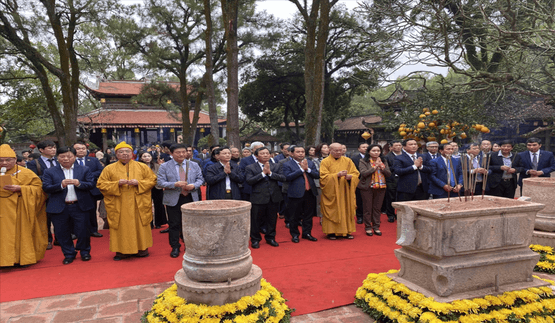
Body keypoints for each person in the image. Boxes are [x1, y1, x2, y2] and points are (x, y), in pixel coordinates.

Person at [97, 141, 157, 261]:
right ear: (116, 154)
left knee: (139, 224)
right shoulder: (109, 168)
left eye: (127, 151)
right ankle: (121, 251)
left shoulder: (142, 167)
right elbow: (101, 184)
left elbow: (152, 180)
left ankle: (142, 249)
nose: (124, 154)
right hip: (119, 202)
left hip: (138, 202)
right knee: (121, 226)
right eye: (121, 152)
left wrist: (139, 183)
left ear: (132, 154)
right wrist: (116, 184)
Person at [43, 147, 95, 264]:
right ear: (57, 158)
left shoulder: (84, 169)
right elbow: (46, 187)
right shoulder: (50, 171)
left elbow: (91, 184)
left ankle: (84, 252)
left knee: (83, 231)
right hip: (60, 207)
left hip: (79, 205)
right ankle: (69, 254)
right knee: (62, 232)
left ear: (75, 157)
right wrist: (60, 185)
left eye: (69, 156)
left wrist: (79, 183)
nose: (65, 159)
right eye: (62, 156)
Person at [0, 144, 47, 267]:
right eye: (1, 160)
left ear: (15, 160)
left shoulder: (26, 173)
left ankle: (22, 258)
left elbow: (39, 190)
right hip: (2, 211)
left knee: (21, 235)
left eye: (8, 160)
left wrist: (21, 188)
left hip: (20, 209)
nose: (4, 163)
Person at [157, 143, 204, 258]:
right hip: (173, 198)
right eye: (178, 152)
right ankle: (175, 247)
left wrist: (193, 185)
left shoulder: (194, 164)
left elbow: (200, 179)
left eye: (184, 152)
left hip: (190, 197)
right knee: (174, 224)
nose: (182, 154)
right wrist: (174, 184)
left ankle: (190, 246)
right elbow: (160, 182)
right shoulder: (164, 166)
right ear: (171, 153)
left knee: (191, 224)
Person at [245, 147, 285, 248]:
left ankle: (271, 237)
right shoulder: (250, 167)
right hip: (258, 197)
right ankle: (255, 239)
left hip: (273, 197)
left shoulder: (276, 165)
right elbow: (249, 181)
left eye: (267, 153)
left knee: (272, 219)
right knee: (256, 220)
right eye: (262, 153)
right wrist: (263, 174)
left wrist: (270, 173)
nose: (266, 155)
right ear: (256, 156)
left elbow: (283, 178)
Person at [319, 143, 360, 240]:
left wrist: (351, 177)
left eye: (340, 150)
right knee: (333, 210)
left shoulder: (348, 160)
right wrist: (336, 175)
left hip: (346, 192)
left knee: (347, 209)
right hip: (332, 192)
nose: (338, 152)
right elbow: (323, 177)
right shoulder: (325, 162)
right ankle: (331, 232)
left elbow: (355, 173)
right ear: (330, 150)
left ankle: (347, 231)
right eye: (336, 150)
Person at [282, 146, 319, 243]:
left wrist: (308, 169)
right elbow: (287, 177)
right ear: (292, 154)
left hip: (309, 192)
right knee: (294, 216)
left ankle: (307, 233)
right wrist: (301, 170)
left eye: (302, 151)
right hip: (295, 193)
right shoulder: (287, 164)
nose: (301, 154)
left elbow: (317, 175)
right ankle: (295, 235)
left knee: (308, 215)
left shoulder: (310, 163)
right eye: (298, 152)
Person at [26, 140, 58, 250]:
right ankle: (48, 239)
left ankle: (59, 238)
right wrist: (49, 180)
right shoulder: (34, 163)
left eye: (54, 147)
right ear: (41, 150)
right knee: (46, 218)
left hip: (58, 193)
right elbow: (32, 179)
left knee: (60, 217)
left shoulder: (59, 161)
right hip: (44, 194)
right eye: (50, 148)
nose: (53, 149)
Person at [358, 144, 391, 236]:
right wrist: (375, 167)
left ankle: (376, 227)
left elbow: (388, 174)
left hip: (381, 186)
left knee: (377, 208)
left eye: (378, 151)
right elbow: (364, 173)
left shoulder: (383, 160)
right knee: (368, 208)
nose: (376, 153)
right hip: (367, 187)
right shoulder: (363, 161)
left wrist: (382, 168)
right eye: (373, 151)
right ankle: (368, 227)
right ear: (369, 152)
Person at [73, 141, 104, 238]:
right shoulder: (70, 161)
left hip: (90, 189)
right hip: (75, 189)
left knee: (91, 210)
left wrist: (87, 175)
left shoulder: (93, 160)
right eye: (78, 149)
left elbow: (100, 171)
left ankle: (93, 230)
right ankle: (75, 232)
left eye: (83, 148)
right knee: (75, 211)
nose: (81, 150)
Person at [138, 151, 167, 229]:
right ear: (141, 158)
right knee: (146, 206)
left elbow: (161, 175)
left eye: (148, 156)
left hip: (156, 187)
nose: (147, 158)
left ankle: (159, 222)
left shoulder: (157, 166)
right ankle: (148, 223)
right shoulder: (138, 167)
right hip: (145, 188)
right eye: (144, 156)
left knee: (159, 204)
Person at [383, 140, 402, 222]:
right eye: (396, 145)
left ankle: (399, 214)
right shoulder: (387, 157)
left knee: (401, 198)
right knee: (391, 197)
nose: (398, 147)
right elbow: (387, 169)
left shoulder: (404, 155)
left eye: (399, 145)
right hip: (392, 179)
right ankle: (390, 214)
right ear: (391, 147)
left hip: (403, 179)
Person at [350, 142, 368, 225]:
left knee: (369, 200)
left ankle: (369, 217)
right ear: (359, 149)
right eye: (363, 147)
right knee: (359, 199)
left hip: (371, 181)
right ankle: (360, 216)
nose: (365, 148)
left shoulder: (373, 158)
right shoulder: (354, 158)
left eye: (367, 147)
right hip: (359, 181)